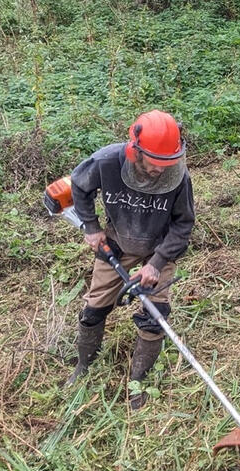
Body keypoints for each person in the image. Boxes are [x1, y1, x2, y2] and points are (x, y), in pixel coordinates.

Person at [65, 109, 196, 408]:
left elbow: (183, 224)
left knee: (155, 316)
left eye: (168, 163)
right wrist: (91, 227)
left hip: (158, 247)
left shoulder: (178, 177)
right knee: (94, 309)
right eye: (156, 162)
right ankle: (84, 365)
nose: (161, 170)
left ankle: (138, 382)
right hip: (118, 242)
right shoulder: (106, 162)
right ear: (134, 150)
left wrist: (157, 263)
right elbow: (79, 185)